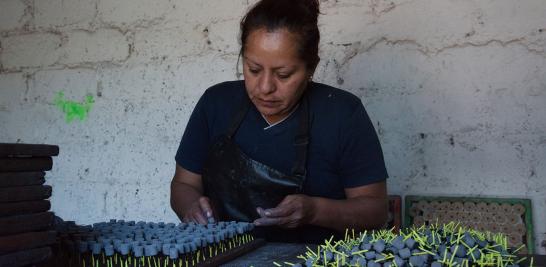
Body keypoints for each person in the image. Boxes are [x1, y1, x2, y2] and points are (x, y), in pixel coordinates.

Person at [170, 0, 389, 243]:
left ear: (311, 67)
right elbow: (183, 184)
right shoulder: (216, 104)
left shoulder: (342, 114)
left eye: (283, 75)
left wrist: (315, 211)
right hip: (225, 255)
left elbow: (375, 211)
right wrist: (192, 207)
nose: (265, 87)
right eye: (253, 70)